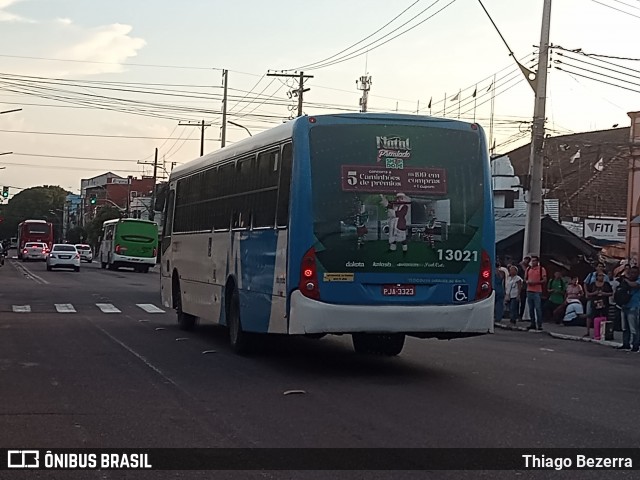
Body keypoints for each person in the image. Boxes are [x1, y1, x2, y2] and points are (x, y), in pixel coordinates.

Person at [585, 273, 613, 338]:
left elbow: (611, 293)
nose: (601, 277)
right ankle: (596, 333)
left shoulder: (606, 284)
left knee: (604, 317)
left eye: (602, 276)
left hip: (604, 303)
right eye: (599, 276)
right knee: (594, 317)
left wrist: (604, 293)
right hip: (595, 303)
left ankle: (604, 333)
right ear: (596, 277)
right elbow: (588, 293)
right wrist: (594, 293)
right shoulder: (592, 284)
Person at [619, 265, 640, 352]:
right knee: (625, 327)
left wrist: (626, 280)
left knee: (634, 328)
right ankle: (625, 343)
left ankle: (635, 345)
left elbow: (634, 285)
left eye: (634, 273)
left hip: (634, 306)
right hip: (625, 305)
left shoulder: (638, 280)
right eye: (631, 272)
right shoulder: (627, 280)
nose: (632, 274)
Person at [525, 255, 547, 331]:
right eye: (532, 261)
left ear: (537, 261)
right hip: (529, 290)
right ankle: (532, 323)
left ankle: (539, 324)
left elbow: (544, 280)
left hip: (537, 291)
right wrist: (528, 282)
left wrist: (535, 282)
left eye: (535, 261)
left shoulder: (541, 269)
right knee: (531, 309)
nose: (533, 262)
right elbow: (525, 279)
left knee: (538, 308)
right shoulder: (528, 269)